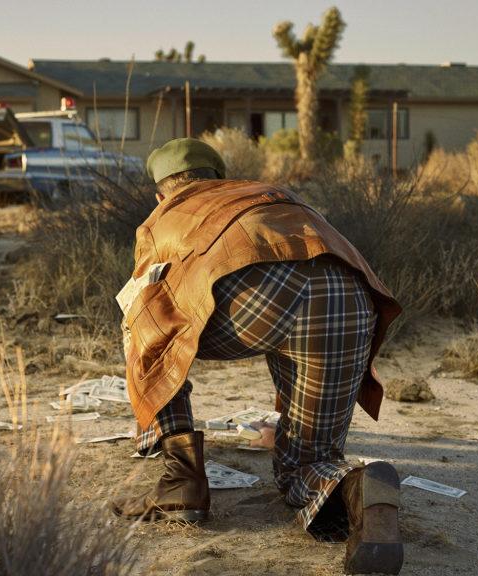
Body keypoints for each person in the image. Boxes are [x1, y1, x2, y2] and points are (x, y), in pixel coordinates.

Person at [111, 138, 404, 575]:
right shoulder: (266, 193)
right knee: (307, 461)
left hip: (251, 302)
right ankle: (359, 488)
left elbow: (152, 313)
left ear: (161, 193)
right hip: (348, 296)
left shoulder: (160, 218)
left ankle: (181, 480)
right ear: (219, 178)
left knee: (138, 316)